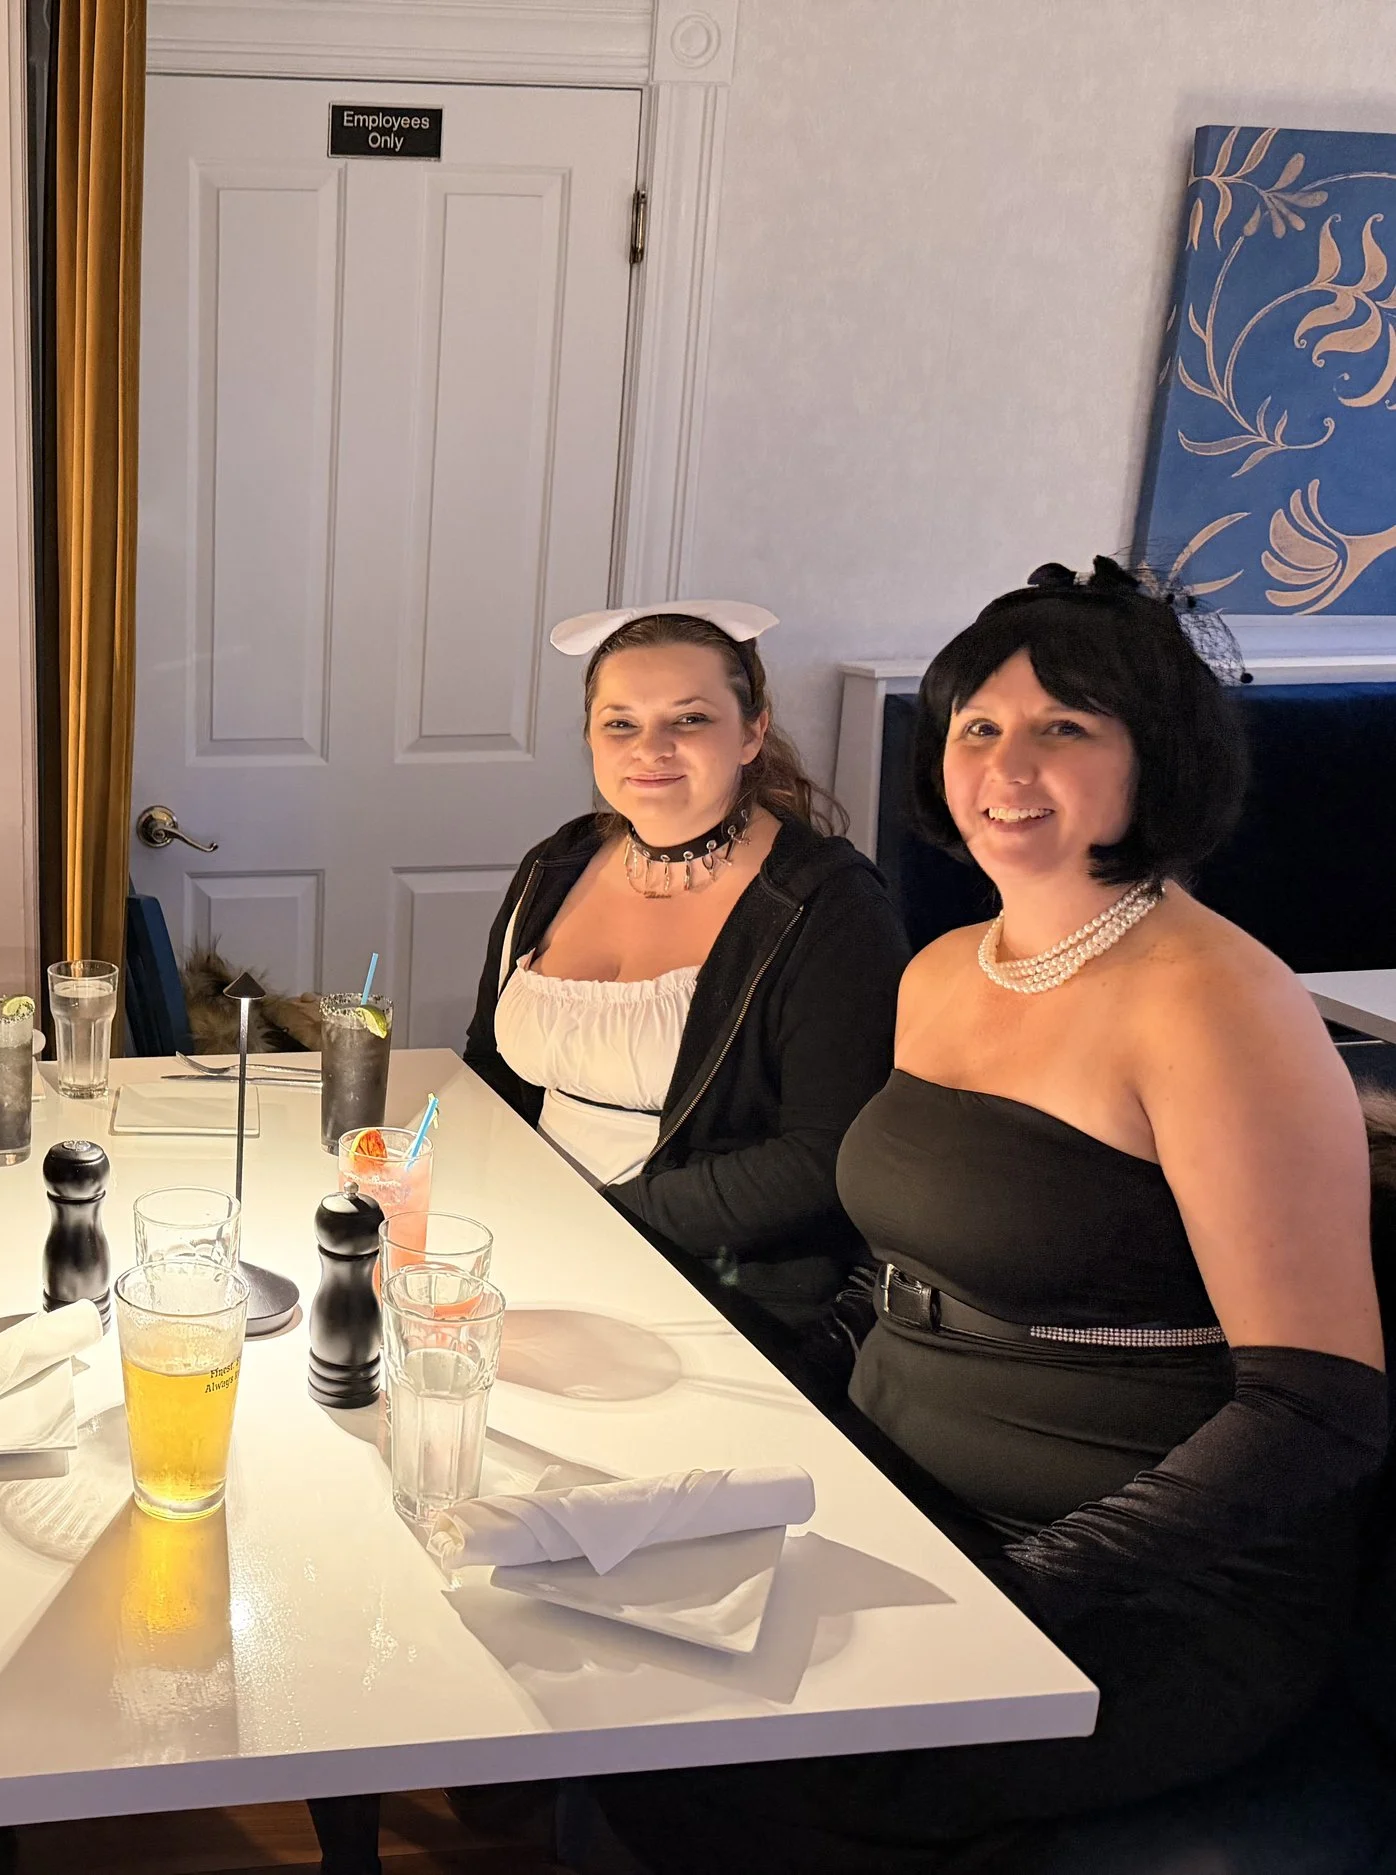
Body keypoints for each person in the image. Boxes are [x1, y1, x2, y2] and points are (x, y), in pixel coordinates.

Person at [592, 561, 1388, 1870]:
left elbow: (1323, 1404)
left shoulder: (1216, 1004)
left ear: (1157, 756)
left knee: (742, 1761)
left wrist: (1019, 1588)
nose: (1007, 766)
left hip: (1152, 1584)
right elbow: (894, 1272)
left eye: (1063, 726)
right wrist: (757, 1416)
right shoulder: (944, 970)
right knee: (606, 1667)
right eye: (977, 726)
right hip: (912, 1496)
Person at [462, 603, 908, 1350]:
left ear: (753, 732)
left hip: (724, 1289)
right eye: (620, 723)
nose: (651, 748)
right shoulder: (557, 864)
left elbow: (827, 1155)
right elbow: (491, 1068)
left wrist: (605, 1219)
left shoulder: (830, 904)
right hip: (538, 1252)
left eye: (690, 719)